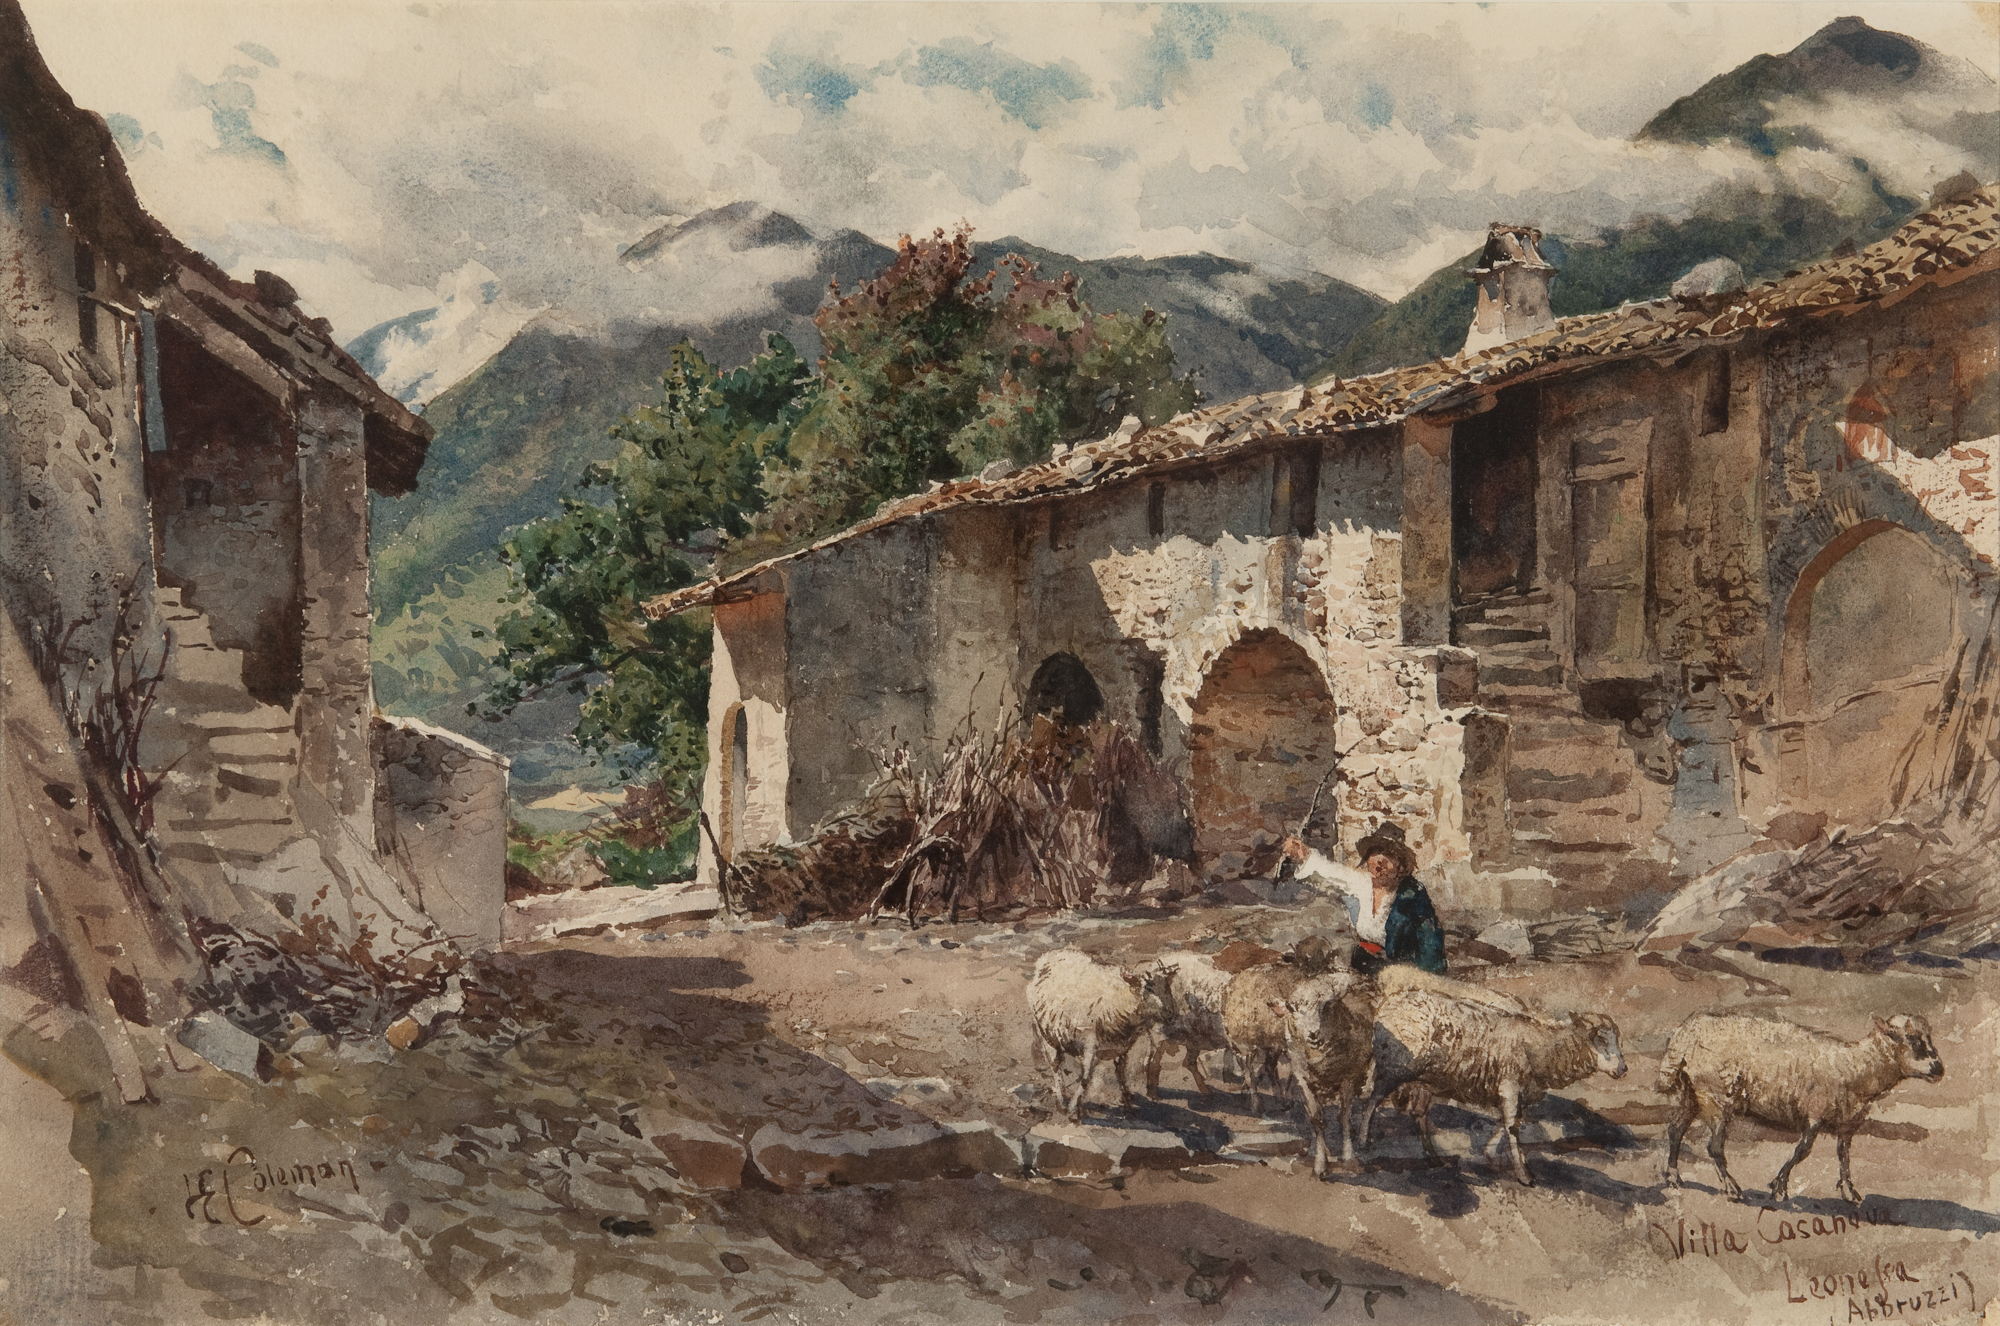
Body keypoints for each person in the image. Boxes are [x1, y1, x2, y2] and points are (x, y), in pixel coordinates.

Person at [1280, 821, 1445, 976]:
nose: (1380, 860)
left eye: (1389, 854)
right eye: (1375, 852)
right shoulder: (1362, 884)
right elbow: (1329, 873)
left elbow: (1430, 941)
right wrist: (1303, 853)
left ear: (1401, 865)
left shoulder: (1412, 895)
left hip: (1396, 971)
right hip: (1362, 962)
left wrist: (1425, 977)